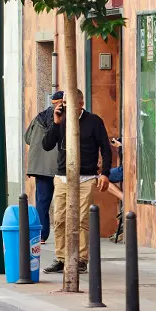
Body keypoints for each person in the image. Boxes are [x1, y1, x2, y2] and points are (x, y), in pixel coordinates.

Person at [41, 89, 111, 274]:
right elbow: (46, 145)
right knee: (60, 218)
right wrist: (56, 123)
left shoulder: (94, 121)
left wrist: (105, 173)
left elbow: (106, 148)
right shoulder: (60, 120)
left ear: (81, 104)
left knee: (81, 219)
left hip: (86, 177)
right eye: (64, 103)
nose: (65, 107)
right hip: (63, 176)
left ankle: (81, 259)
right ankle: (62, 258)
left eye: (69, 103)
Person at [24, 90, 64, 244]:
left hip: (41, 167)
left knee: (42, 202)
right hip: (60, 166)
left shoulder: (39, 117)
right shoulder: (65, 119)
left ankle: (41, 235)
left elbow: (27, 138)